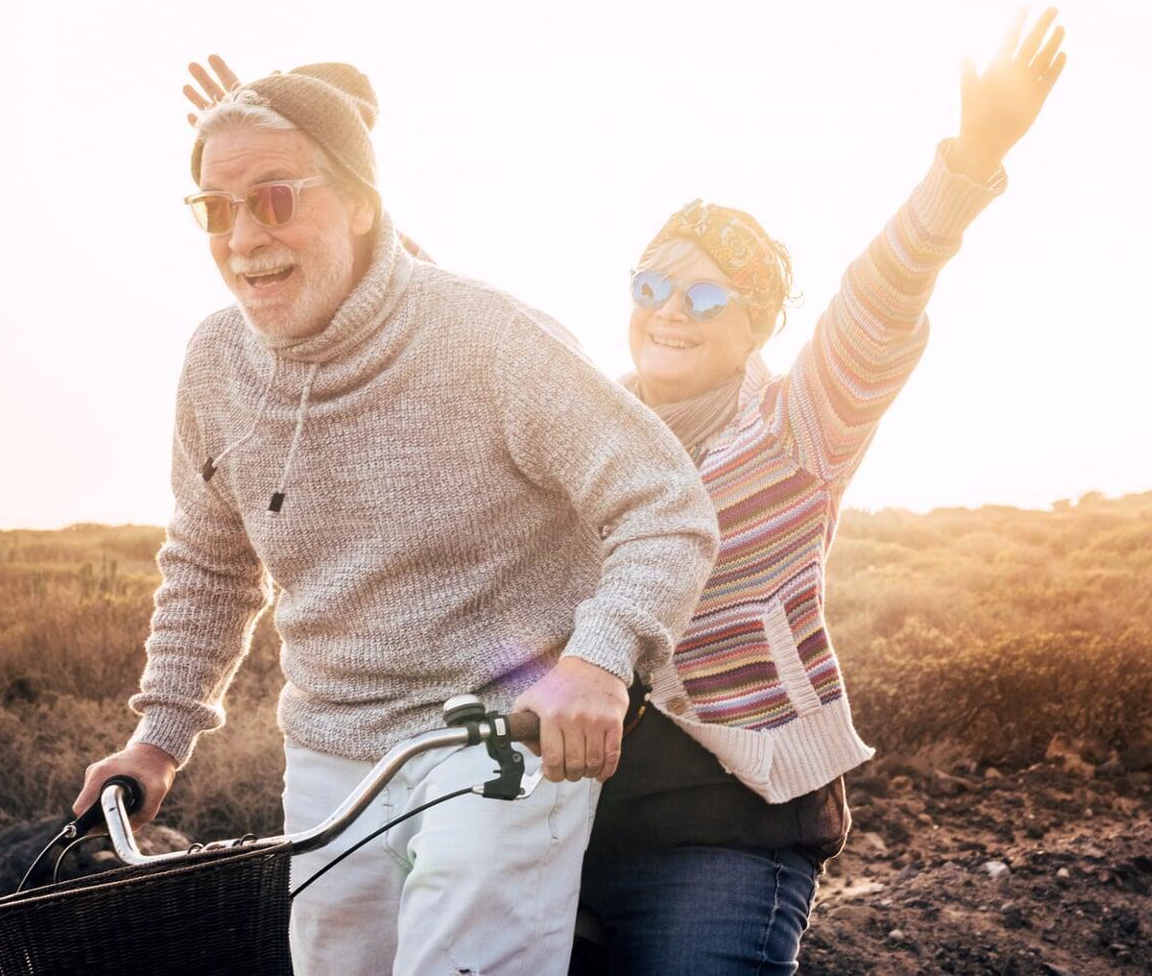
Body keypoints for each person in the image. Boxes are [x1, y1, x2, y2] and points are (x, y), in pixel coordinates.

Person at [184, 5, 1065, 973]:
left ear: (756, 320)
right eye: (650, 287)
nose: (666, 314)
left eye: (702, 295)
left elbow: (883, 292)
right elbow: (420, 299)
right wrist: (303, 137)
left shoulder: (798, 425)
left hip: (723, 827)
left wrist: (967, 163)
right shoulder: (586, 411)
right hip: (568, 802)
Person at [74, 62, 721, 976]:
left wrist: (599, 659)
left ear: (361, 204)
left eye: (276, 198)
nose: (244, 237)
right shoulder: (216, 363)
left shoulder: (489, 338)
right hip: (332, 746)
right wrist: (158, 736)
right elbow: (210, 564)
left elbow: (665, 503)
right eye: (216, 209)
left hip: (501, 731)